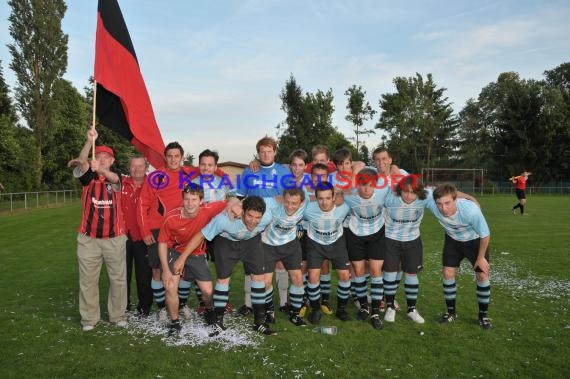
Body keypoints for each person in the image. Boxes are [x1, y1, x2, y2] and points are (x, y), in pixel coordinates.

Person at [138, 142, 226, 323]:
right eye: (169, 156)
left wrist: (223, 174)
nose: (173, 159)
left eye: (176, 156)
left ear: (182, 157)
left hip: (189, 227)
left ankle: (181, 304)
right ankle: (163, 308)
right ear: (165, 157)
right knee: (158, 271)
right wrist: (145, 229)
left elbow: (209, 168)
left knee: (186, 270)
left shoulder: (189, 173)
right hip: (160, 228)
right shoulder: (156, 176)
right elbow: (142, 203)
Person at [183, 196, 274, 336]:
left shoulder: (267, 216)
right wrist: (182, 258)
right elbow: (200, 235)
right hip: (226, 242)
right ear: (242, 212)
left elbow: (280, 197)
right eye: (250, 215)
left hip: (251, 243)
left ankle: (259, 322)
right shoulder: (224, 219)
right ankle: (218, 322)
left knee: (258, 279)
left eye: (257, 217)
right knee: (223, 280)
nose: (253, 221)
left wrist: (236, 201)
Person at [67, 129, 127, 331]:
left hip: (114, 238)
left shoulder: (116, 178)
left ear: (111, 161)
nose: (102, 160)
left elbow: (114, 180)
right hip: (88, 238)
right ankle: (89, 319)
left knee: (118, 279)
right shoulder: (87, 179)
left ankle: (118, 315)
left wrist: (100, 170)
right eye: (98, 157)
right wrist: (88, 141)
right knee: (88, 280)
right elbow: (82, 161)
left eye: (106, 158)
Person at [157, 184, 233, 336]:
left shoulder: (207, 210)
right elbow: (162, 243)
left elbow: (230, 200)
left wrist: (235, 204)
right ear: (182, 200)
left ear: (201, 201)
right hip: (175, 251)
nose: (190, 203)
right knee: (171, 285)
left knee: (208, 291)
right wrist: (165, 270)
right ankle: (175, 322)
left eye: (194, 199)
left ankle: (209, 310)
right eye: (186, 199)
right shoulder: (171, 217)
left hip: (197, 252)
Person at [236, 137, 291, 316]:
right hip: (253, 225)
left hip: (276, 226)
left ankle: (283, 302)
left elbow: (292, 199)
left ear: (275, 152)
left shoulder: (284, 172)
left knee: (280, 264)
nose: (266, 155)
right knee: (251, 264)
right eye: (262, 151)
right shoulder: (249, 171)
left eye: (269, 151)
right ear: (258, 153)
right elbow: (238, 196)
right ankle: (249, 303)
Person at [427, 184, 492, 330]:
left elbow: (485, 235)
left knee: (482, 275)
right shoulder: (431, 203)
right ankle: (451, 313)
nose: (443, 208)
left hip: (475, 241)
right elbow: (420, 188)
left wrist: (481, 258)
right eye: (439, 204)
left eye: (448, 203)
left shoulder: (471, 211)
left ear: (455, 200)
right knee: (447, 273)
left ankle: (483, 316)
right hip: (453, 240)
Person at [342, 168, 389, 329]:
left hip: (377, 234)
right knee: (359, 271)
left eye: (370, 185)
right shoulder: (349, 196)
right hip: (355, 235)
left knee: (376, 270)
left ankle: (375, 312)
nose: (367, 189)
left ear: (375, 184)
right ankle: (364, 305)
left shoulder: (384, 193)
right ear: (357, 185)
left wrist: (466, 197)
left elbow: (426, 190)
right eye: (363, 185)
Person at [382, 176, 432, 325]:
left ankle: (411, 309)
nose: (408, 195)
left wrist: (468, 198)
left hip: (412, 240)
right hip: (390, 239)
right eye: (405, 191)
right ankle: (390, 306)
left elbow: (444, 193)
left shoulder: (425, 197)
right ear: (400, 191)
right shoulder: (390, 198)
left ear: (419, 192)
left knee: (411, 273)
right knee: (390, 273)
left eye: (412, 192)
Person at [303, 181, 351, 324]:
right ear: (316, 198)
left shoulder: (344, 208)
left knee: (344, 276)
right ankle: (315, 309)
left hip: (337, 243)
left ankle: (341, 309)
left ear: (333, 197)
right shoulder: (307, 209)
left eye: (328, 198)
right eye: (321, 198)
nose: (324, 202)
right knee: (312, 276)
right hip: (315, 244)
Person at [261, 188, 309, 327]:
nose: (289, 206)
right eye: (286, 202)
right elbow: (247, 202)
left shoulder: (305, 205)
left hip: (290, 245)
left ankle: (295, 314)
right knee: (266, 282)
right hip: (268, 245)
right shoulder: (271, 203)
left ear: (301, 203)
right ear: (282, 199)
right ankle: (269, 311)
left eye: (294, 203)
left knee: (298, 278)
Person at [121, 156, 153, 316]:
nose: (137, 169)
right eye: (133, 166)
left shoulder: (152, 184)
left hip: (143, 236)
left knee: (144, 274)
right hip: (123, 236)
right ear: (129, 168)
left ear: (146, 167)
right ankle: (123, 305)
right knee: (122, 274)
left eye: (140, 166)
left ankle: (144, 307)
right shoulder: (121, 184)